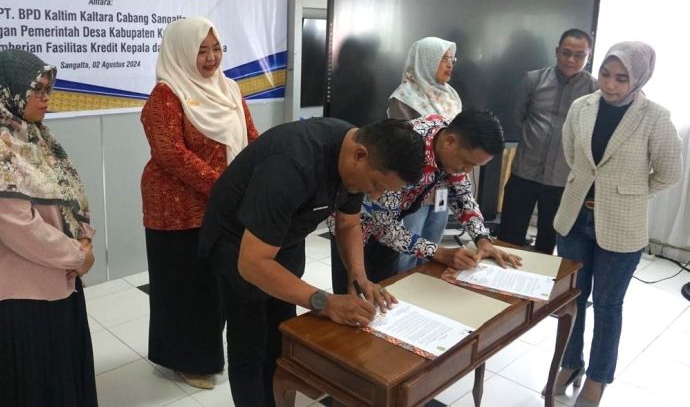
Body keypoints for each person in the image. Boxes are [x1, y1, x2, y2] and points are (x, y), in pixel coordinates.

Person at [198, 117, 424, 406]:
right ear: (359, 155)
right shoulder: (291, 164)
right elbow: (252, 263)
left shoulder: (354, 157)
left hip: (286, 238)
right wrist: (324, 302)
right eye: (377, 184)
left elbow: (348, 224)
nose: (376, 194)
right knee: (250, 343)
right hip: (238, 243)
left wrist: (358, 275)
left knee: (282, 334)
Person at [0, 49, 97, 406]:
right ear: (10, 91)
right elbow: (18, 225)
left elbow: (68, 195)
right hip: (16, 299)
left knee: (60, 383)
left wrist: (83, 241)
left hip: (57, 278)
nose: (45, 98)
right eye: (37, 89)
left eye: (48, 88)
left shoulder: (36, 136)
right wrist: (77, 255)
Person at [551, 41, 682, 406]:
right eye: (605, 74)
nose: (609, 85)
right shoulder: (582, 106)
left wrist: (630, 192)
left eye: (621, 78)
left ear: (639, 78)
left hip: (622, 224)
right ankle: (570, 363)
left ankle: (598, 376)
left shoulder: (656, 116)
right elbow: (573, 154)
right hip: (575, 216)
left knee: (608, 305)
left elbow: (670, 172)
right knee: (572, 298)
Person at [140, 17, 258, 390]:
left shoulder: (230, 89)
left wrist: (259, 171)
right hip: (175, 210)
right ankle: (184, 360)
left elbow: (250, 136)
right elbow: (170, 153)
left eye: (216, 48)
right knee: (182, 287)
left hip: (220, 207)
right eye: (201, 51)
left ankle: (204, 353)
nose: (211, 58)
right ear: (181, 52)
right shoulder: (166, 95)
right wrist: (225, 186)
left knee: (213, 286)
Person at [330, 110, 522, 294]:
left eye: (475, 166)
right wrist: (440, 253)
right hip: (351, 227)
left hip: (390, 227)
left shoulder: (450, 140)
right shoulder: (405, 152)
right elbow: (384, 227)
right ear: (450, 142)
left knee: (385, 292)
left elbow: (462, 195)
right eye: (467, 163)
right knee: (351, 296)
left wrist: (482, 239)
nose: (467, 170)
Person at [499, 29, 597, 254]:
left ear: (588, 56)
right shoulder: (533, 80)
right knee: (509, 237)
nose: (571, 60)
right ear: (556, 51)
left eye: (579, 55)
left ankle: (536, 276)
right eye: (566, 53)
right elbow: (519, 116)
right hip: (524, 172)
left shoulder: (594, 90)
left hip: (562, 179)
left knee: (548, 241)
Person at [388, 37, 462, 272]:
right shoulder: (404, 98)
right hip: (414, 189)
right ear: (426, 61)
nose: (449, 65)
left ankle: (424, 289)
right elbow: (406, 148)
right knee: (408, 251)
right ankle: (402, 290)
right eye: (443, 59)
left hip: (443, 187)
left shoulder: (451, 96)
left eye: (451, 59)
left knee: (433, 250)